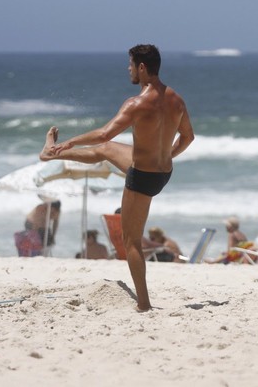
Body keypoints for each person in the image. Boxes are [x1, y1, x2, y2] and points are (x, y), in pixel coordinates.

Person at [39, 44, 195, 311]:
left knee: (130, 240)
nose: (129, 69)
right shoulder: (176, 100)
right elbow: (188, 137)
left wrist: (69, 142)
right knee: (106, 152)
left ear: (142, 68)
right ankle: (50, 154)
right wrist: (168, 154)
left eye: (131, 65)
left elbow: (103, 133)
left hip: (143, 177)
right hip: (163, 171)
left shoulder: (136, 104)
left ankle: (143, 304)